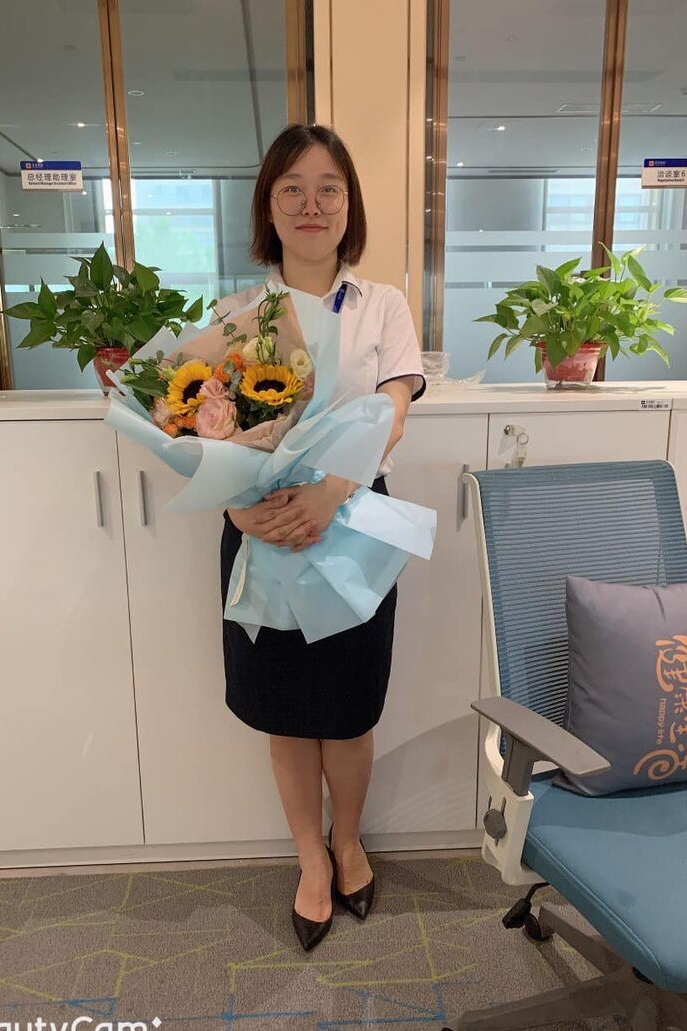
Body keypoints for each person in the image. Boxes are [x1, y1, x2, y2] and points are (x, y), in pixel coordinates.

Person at [219, 123, 425, 952]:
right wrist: (240, 513)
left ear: (349, 204)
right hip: (263, 528)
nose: (312, 204)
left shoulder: (382, 306)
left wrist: (331, 492)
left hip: (355, 525)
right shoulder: (238, 314)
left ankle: (349, 842)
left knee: (346, 710)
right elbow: (211, 434)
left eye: (328, 188)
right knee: (285, 712)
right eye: (293, 188)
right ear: (269, 206)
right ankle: (310, 858)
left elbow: (394, 411)